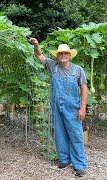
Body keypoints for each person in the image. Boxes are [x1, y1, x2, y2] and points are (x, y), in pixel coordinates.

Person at [29, 38, 88, 177]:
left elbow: (84, 89)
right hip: (56, 106)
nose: (63, 56)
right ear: (57, 55)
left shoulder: (78, 70)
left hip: (73, 108)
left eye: (65, 53)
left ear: (70, 55)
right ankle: (64, 159)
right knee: (60, 134)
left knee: (76, 135)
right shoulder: (52, 66)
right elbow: (38, 55)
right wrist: (36, 45)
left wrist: (83, 108)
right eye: (60, 54)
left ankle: (79, 165)